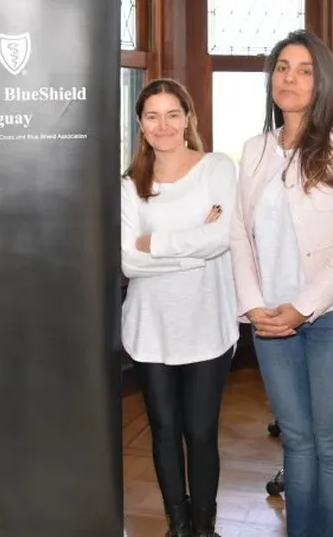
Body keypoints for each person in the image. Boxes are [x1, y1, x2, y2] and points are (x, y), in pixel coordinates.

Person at [228, 29, 333, 537]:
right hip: (271, 320)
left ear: (322, 83)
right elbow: (238, 234)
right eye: (281, 68)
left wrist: (303, 307)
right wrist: (255, 307)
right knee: (296, 440)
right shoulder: (254, 150)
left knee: (332, 442)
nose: (289, 78)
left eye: (303, 69)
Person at [120, 78, 239, 537]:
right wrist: (192, 249)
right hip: (150, 328)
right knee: (165, 431)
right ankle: (179, 525)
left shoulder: (216, 168)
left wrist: (158, 244)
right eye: (152, 116)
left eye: (173, 114)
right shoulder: (130, 184)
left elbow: (223, 237)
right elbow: (128, 258)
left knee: (201, 433)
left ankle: (205, 528)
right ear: (141, 125)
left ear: (189, 118)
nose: (163, 125)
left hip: (207, 323)